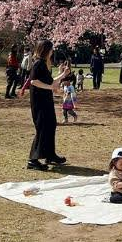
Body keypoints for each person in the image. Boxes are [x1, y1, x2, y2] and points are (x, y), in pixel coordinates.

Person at [26, 39, 71, 171]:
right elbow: (33, 81)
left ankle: (50, 155)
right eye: (51, 49)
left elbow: (51, 81)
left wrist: (64, 74)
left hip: (46, 100)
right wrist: (49, 87)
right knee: (42, 128)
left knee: (51, 125)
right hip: (39, 102)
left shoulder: (44, 65)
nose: (52, 52)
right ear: (46, 50)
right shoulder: (38, 64)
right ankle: (32, 160)